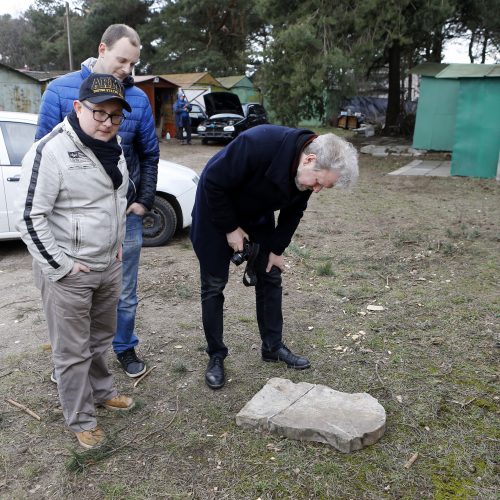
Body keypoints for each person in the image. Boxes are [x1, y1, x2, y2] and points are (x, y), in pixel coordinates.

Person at [190, 124, 359, 390]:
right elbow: (212, 181)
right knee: (213, 286)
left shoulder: (306, 174)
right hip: (216, 210)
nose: (316, 190)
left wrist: (276, 250)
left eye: (322, 188)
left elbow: (294, 212)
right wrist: (230, 228)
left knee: (270, 274)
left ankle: (272, 346)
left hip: (256, 213)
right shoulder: (259, 143)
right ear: (309, 159)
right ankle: (216, 355)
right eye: (317, 183)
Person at [17, 74, 134, 449]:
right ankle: (81, 418)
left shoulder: (113, 145)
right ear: (78, 107)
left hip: (107, 264)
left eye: (115, 116)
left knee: (99, 340)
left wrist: (115, 246)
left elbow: (114, 202)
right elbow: (28, 217)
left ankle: (102, 393)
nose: (107, 122)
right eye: (99, 113)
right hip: (69, 272)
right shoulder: (50, 151)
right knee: (71, 351)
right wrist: (62, 266)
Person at [36, 24, 159, 378]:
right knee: (73, 296)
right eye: (122, 60)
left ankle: (122, 347)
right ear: (102, 49)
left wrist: (144, 200)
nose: (127, 70)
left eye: (133, 63)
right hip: (70, 221)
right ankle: (75, 362)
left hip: (123, 217)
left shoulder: (136, 98)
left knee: (123, 291)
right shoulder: (60, 91)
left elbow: (149, 154)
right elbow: (41, 154)